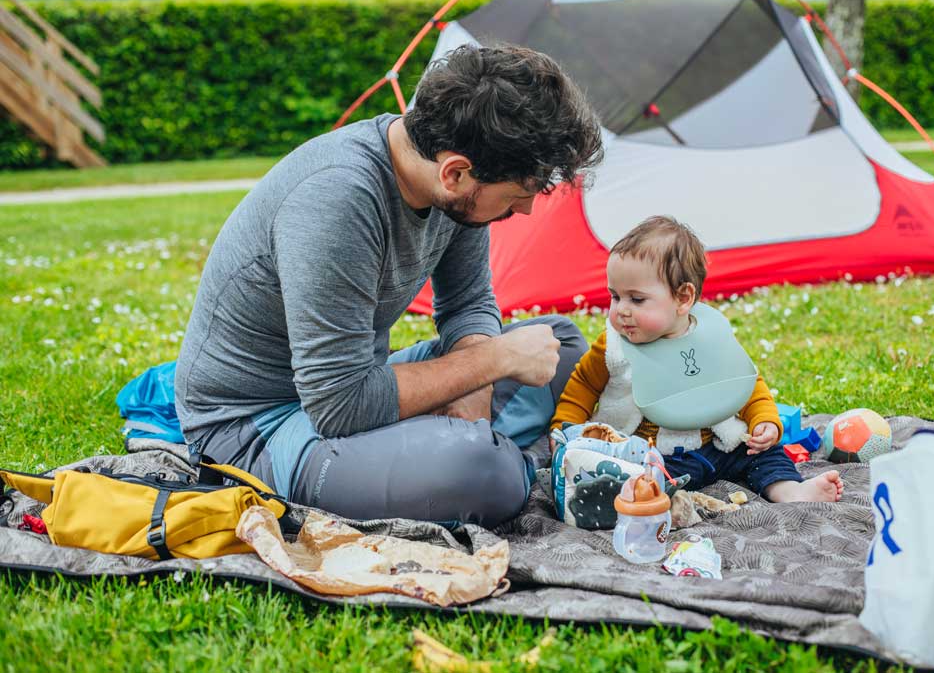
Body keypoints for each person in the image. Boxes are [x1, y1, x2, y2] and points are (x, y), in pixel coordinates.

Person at [174, 44, 604, 528]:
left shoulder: (454, 189)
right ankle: (504, 464)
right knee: (482, 470)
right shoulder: (338, 201)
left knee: (563, 348)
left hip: (348, 389)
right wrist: (493, 362)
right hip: (258, 427)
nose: (523, 211)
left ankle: (476, 455)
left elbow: (468, 303)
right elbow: (340, 405)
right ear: (456, 172)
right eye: (518, 196)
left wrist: (474, 392)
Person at [550, 216, 844, 503]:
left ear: (683, 298)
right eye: (615, 296)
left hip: (717, 446)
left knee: (765, 453)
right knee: (634, 480)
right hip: (652, 454)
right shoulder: (613, 346)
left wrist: (764, 422)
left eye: (636, 299)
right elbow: (583, 387)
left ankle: (791, 491)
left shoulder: (710, 337)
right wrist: (565, 429)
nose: (621, 310)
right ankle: (655, 503)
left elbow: (747, 383)